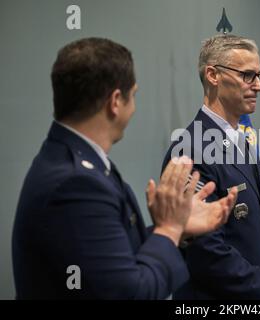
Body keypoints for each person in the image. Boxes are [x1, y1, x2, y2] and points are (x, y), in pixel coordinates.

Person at [12, 37, 237, 300]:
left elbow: (108, 259)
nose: (134, 106)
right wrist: (169, 230)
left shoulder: (69, 159)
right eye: (134, 95)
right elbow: (131, 293)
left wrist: (179, 228)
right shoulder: (77, 182)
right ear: (116, 101)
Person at [162, 34, 260, 300]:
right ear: (213, 75)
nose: (258, 86)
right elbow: (205, 251)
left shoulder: (242, 140)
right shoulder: (190, 149)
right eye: (248, 75)